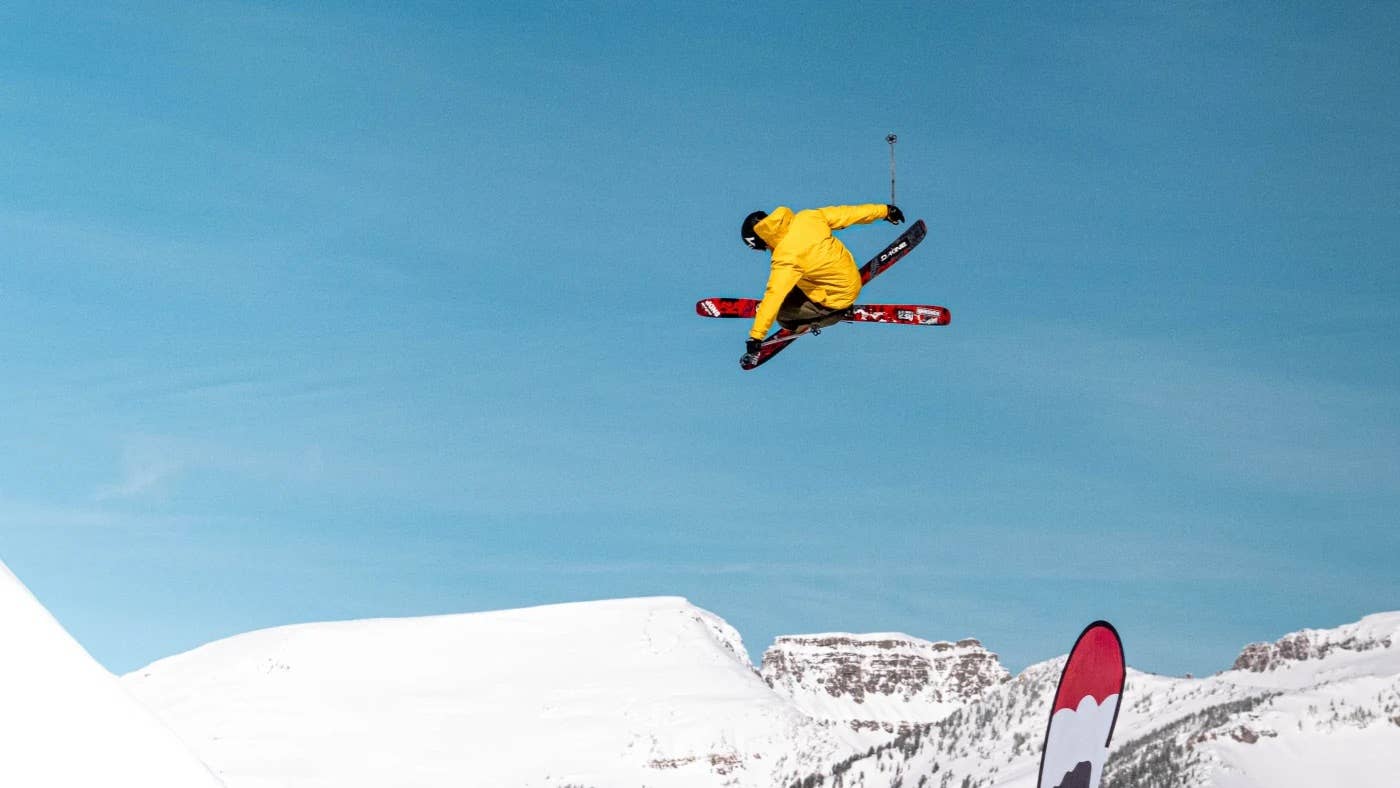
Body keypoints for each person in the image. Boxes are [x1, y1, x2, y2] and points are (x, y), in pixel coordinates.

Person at [740, 203, 904, 365]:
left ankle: (831, 316)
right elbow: (848, 213)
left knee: (783, 316)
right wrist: (885, 211)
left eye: (762, 247)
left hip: (836, 299)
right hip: (850, 277)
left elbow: (774, 295)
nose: (767, 249)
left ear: (762, 239)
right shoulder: (807, 217)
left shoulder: (785, 257)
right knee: (798, 278)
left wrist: (756, 336)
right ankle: (829, 303)